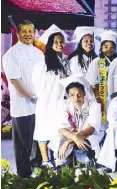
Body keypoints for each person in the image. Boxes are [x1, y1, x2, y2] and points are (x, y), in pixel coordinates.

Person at [2, 20, 44, 177]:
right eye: (24, 31)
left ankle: (39, 176)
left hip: (40, 106)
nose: (28, 34)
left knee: (38, 143)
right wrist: (32, 97)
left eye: (30, 31)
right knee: (24, 146)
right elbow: (14, 80)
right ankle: (24, 178)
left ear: (34, 33)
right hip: (22, 107)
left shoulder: (39, 53)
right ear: (18, 34)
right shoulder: (11, 54)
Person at [31, 24, 70, 167]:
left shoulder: (63, 60)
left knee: (57, 130)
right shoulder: (43, 61)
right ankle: (46, 161)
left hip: (60, 101)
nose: (59, 44)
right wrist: (44, 97)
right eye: (56, 42)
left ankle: (58, 159)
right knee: (43, 130)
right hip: (46, 101)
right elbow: (37, 83)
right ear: (50, 44)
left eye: (61, 42)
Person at [51, 75, 102, 166]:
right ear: (68, 96)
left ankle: (92, 160)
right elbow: (61, 128)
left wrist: (70, 141)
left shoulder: (94, 105)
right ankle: (65, 162)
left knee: (91, 138)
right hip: (71, 133)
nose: (76, 98)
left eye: (79, 94)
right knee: (59, 138)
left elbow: (91, 128)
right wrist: (74, 137)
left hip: (88, 133)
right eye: (72, 95)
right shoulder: (63, 105)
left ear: (84, 93)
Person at [86, 30, 117, 128]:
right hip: (102, 98)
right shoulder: (97, 62)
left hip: (115, 98)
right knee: (102, 125)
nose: (109, 49)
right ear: (101, 48)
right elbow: (92, 83)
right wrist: (98, 99)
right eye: (106, 47)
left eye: (112, 47)